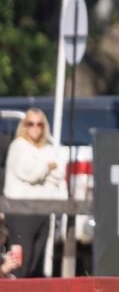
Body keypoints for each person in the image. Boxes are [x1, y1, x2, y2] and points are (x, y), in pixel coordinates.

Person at [4, 109, 66, 278]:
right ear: (23, 127)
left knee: (37, 264)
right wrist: (47, 167)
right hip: (21, 212)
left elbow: (59, 172)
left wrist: (43, 170)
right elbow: (30, 173)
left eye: (39, 124)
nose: (35, 128)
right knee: (19, 263)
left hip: (43, 211)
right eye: (30, 124)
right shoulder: (18, 146)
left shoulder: (48, 147)